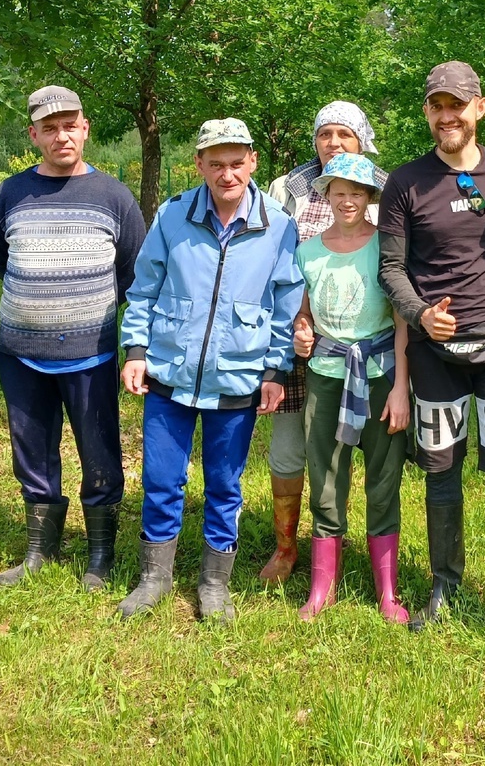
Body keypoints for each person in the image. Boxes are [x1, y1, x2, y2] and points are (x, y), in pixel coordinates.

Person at [117, 118, 303, 623]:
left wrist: (275, 371)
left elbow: (286, 307)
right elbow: (143, 289)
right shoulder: (172, 215)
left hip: (237, 377)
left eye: (237, 163)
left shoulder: (279, 226)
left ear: (253, 162)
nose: (227, 174)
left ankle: (214, 582)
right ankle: (154, 577)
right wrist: (135, 351)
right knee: (161, 478)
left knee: (225, 485)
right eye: (216, 164)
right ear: (199, 164)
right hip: (169, 373)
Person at [378, 60, 485, 644]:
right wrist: (421, 313)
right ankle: (444, 584)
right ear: (427, 111)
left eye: (457, 105)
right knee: (440, 472)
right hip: (434, 352)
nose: (447, 116)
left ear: (480, 108)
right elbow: (390, 268)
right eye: (437, 105)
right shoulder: (404, 182)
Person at [0, 85, 146, 589]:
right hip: (21, 353)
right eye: (50, 128)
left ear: (86, 129)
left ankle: (100, 555)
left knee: (99, 453)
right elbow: (2, 262)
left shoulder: (114, 196)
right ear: (34, 134)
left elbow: (135, 275)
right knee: (32, 451)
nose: (62, 136)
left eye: (70, 126)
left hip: (90, 354)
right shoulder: (10, 194)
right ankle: (40, 549)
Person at [259, 102, 388, 584]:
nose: (333, 142)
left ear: (361, 142)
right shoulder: (286, 190)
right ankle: (287, 546)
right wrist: (295, 323)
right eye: (324, 134)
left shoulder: (382, 191)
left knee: (352, 449)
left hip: (361, 347)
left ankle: (342, 536)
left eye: (344, 134)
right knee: (290, 447)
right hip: (295, 340)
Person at [292, 153, 411, 622]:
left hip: (380, 375)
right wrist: (302, 331)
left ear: (369, 197)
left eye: (356, 193)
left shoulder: (386, 247)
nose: (347, 201)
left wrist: (401, 388)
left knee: (384, 477)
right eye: (338, 192)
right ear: (326, 195)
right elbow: (303, 313)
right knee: (325, 475)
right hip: (327, 374)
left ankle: (387, 590)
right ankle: (322, 586)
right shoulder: (308, 251)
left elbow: (402, 322)